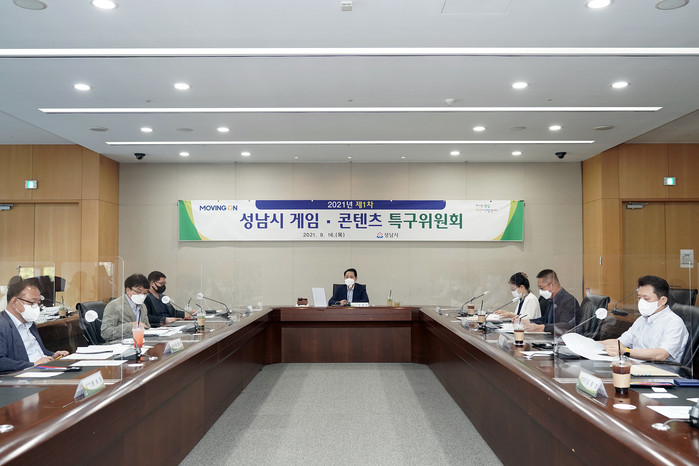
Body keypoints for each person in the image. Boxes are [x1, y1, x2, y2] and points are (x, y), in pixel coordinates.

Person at [602, 275, 688, 362]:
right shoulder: (642, 319)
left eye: (646, 298)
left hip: (660, 368)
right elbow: (620, 343)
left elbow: (661, 355)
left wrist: (626, 351)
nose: (641, 302)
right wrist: (595, 343)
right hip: (637, 364)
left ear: (663, 300)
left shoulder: (674, 322)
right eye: (639, 298)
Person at [0, 278, 69, 373]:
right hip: (22, 375)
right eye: (32, 302)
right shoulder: (2, 324)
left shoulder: (30, 323)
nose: (36, 307)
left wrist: (52, 356)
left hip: (42, 370)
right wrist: (33, 364)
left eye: (38, 303)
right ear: (15, 302)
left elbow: (36, 352)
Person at [523, 269, 580, 335]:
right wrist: (528, 321)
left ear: (552, 285)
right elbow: (546, 320)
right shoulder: (552, 299)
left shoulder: (569, 301)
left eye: (541, 288)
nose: (540, 292)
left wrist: (541, 328)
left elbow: (566, 326)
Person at [101, 273, 151, 341]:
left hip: (140, 342)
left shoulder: (143, 306)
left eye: (145, 293)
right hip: (120, 343)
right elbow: (105, 333)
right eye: (138, 292)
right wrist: (131, 326)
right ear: (128, 290)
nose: (142, 296)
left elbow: (147, 327)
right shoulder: (114, 305)